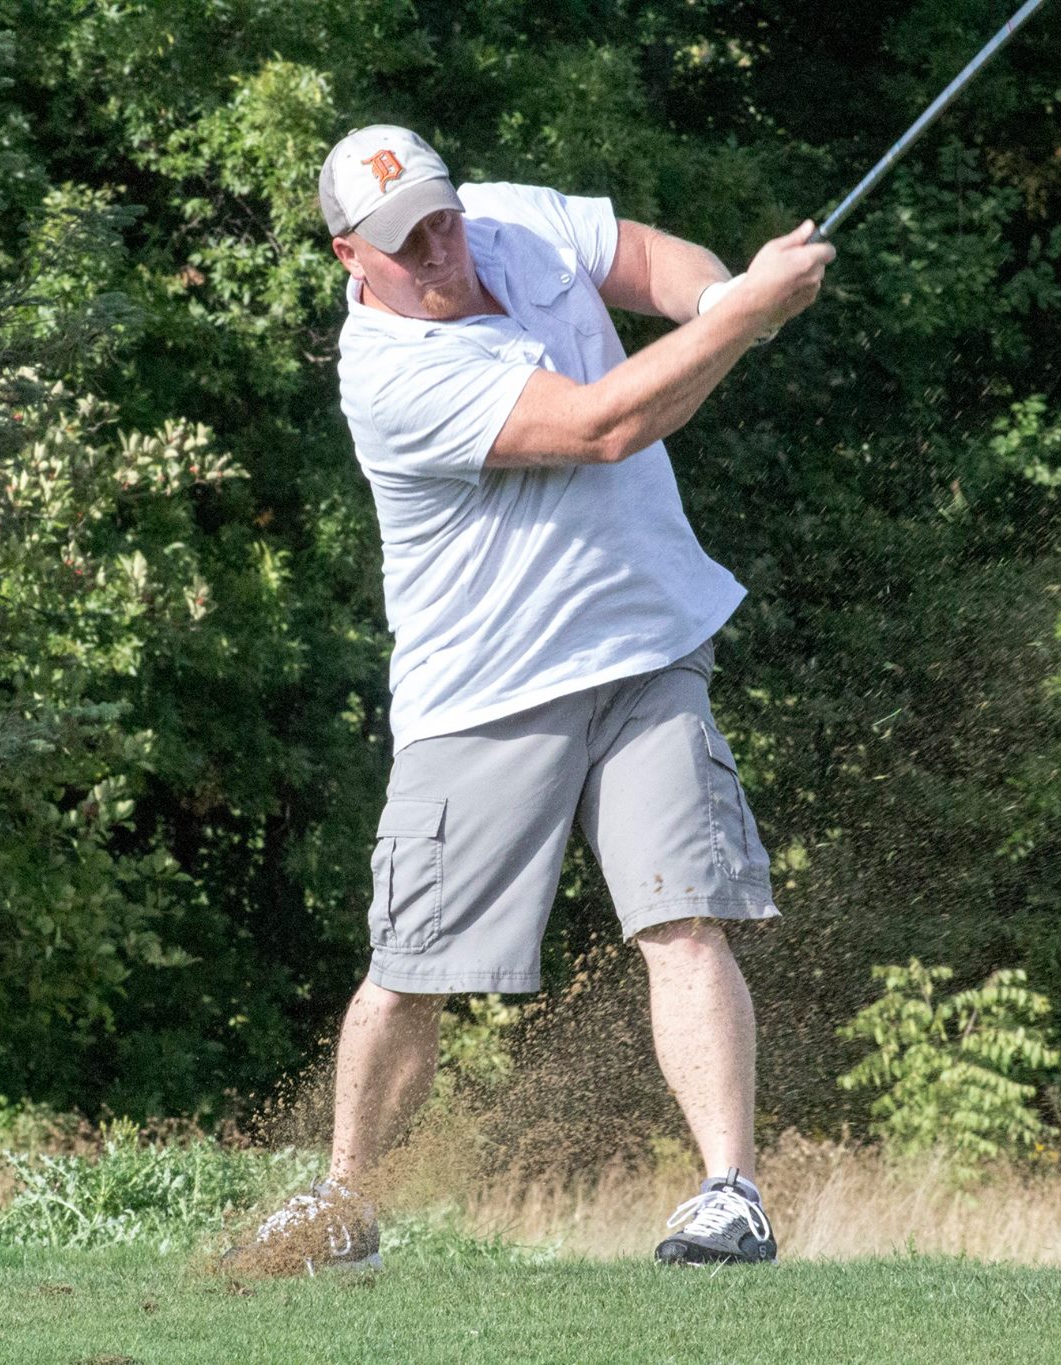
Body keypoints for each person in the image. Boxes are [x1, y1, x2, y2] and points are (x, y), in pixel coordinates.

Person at [248, 124, 833, 1272]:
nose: (437, 245)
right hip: (485, 690)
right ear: (348, 257)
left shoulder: (509, 221)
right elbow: (602, 427)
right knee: (410, 972)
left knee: (683, 917)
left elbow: (646, 262)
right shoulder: (390, 376)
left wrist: (720, 294)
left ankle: (730, 1196)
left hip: (644, 644)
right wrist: (745, 319)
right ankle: (345, 1206)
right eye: (403, 238)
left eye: (441, 217)